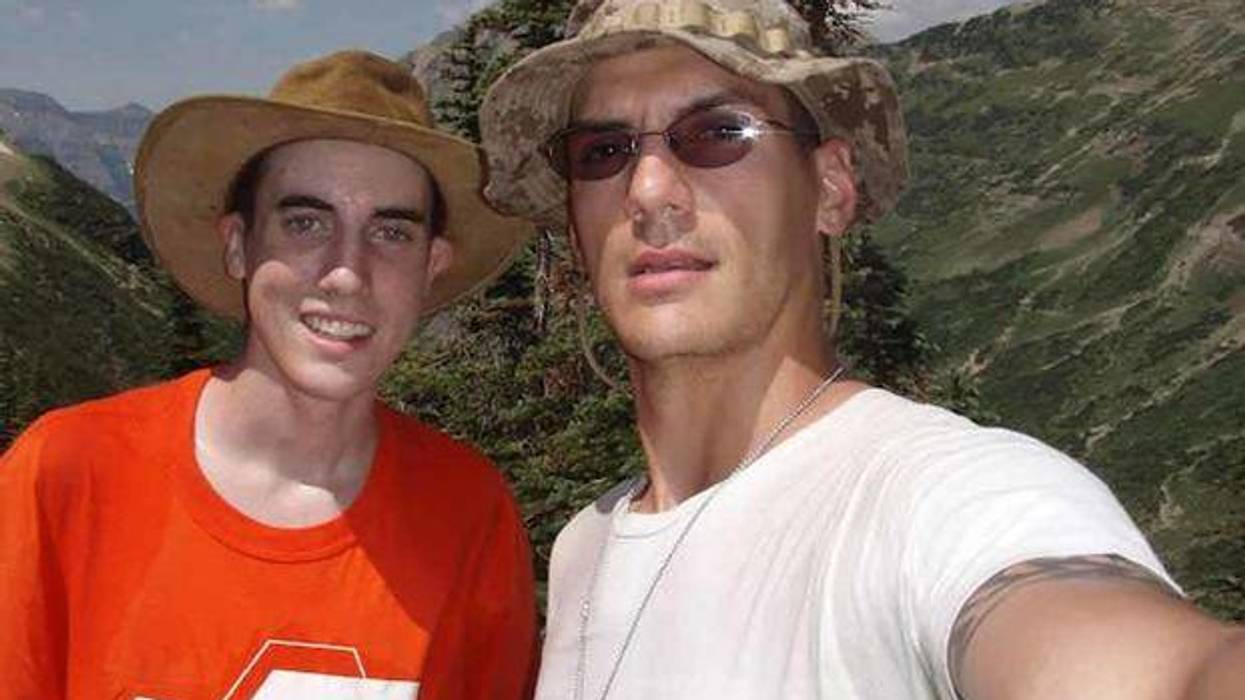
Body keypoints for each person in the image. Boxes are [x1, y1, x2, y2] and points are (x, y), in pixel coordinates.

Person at [477, 1, 1245, 698]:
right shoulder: (588, 542)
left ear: (830, 188)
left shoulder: (941, 497)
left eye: (717, 134)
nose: (647, 190)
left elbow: (1154, 668)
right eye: (602, 151)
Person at [0, 50, 537, 699]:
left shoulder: (467, 515)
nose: (346, 273)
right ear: (238, 244)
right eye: (306, 223)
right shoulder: (66, 476)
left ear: (432, 265)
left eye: (391, 233)